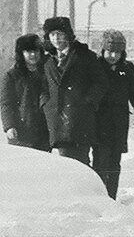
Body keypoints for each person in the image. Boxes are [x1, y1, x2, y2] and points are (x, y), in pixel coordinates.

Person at [40, 16, 108, 168]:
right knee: (59, 167)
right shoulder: (46, 60)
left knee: (78, 164)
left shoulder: (84, 56)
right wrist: (45, 102)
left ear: (68, 35)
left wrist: (88, 101)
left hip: (79, 120)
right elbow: (41, 86)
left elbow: (101, 82)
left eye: (60, 34)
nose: (56, 38)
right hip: (54, 120)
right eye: (52, 35)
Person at [91, 29, 134, 200]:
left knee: (115, 162)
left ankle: (111, 196)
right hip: (99, 122)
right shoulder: (96, 67)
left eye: (117, 52)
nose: (113, 56)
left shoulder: (127, 68)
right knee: (100, 160)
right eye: (109, 51)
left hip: (118, 123)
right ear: (103, 50)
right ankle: (101, 197)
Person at [3, 34, 51, 150]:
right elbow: (6, 103)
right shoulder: (12, 75)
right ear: (21, 53)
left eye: (36, 51)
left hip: (43, 130)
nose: (33, 55)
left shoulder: (48, 72)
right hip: (21, 130)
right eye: (28, 52)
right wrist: (9, 126)